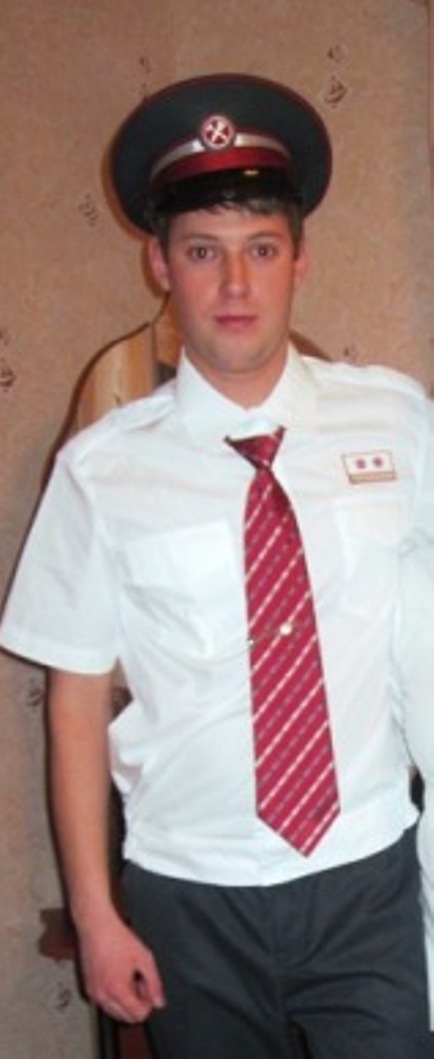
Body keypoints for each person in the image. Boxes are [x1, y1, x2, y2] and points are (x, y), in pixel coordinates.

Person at [1, 72, 434, 1059]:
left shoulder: (395, 421)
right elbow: (75, 698)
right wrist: (96, 913)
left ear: (300, 260)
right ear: (158, 263)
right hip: (189, 895)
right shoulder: (102, 469)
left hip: (367, 876)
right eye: (203, 251)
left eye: (261, 249)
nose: (235, 285)